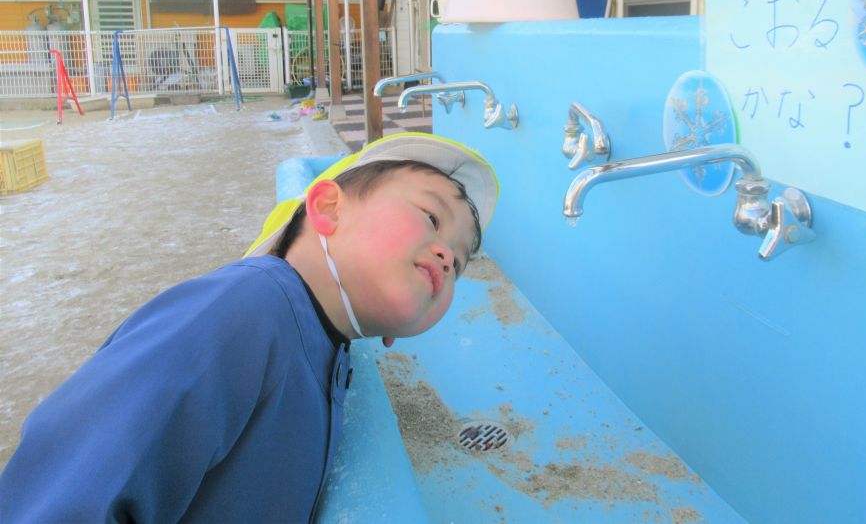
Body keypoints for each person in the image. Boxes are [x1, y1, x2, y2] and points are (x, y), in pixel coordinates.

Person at [0, 132, 498, 523]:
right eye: (432, 217)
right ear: (326, 208)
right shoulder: (240, 312)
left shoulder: (323, 349)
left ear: (394, 334)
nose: (444, 253)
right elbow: (65, 490)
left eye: (457, 262)